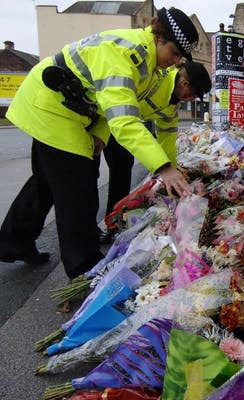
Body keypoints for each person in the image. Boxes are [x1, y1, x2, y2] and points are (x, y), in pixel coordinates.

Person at [0, 7, 197, 279]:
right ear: (158, 37)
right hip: (53, 108)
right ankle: (85, 269)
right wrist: (164, 168)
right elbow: (125, 120)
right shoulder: (125, 54)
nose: (175, 62)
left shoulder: (147, 63)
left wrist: (98, 136)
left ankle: (14, 242)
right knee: (77, 190)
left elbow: (106, 101)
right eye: (174, 53)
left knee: (46, 182)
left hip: (66, 110)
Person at [99, 60, 212, 243]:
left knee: (122, 168)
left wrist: (173, 172)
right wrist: (163, 168)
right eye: (192, 95)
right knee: (85, 179)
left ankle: (115, 223)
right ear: (185, 84)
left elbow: (167, 139)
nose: (191, 100)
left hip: (121, 121)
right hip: (109, 118)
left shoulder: (171, 103)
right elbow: (129, 124)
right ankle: (94, 235)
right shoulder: (156, 79)